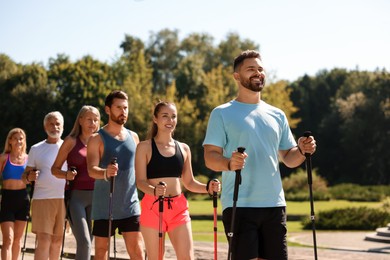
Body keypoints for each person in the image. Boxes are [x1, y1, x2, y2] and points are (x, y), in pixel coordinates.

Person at [203, 50, 317, 260]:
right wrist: (229, 163)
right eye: (251, 69)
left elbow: (289, 159)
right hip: (240, 205)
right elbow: (210, 156)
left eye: (260, 69)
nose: (258, 73)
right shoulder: (222, 113)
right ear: (237, 76)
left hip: (274, 204)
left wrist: (302, 150)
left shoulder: (277, 114)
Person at [135, 101, 221, 260]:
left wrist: (208, 188)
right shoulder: (144, 147)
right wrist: (154, 191)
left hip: (178, 209)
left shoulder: (184, 148)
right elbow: (140, 181)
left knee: (187, 257)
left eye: (173, 116)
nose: (170, 120)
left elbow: (189, 182)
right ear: (155, 119)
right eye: (165, 116)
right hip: (153, 207)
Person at [87, 90, 144, 260]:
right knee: (101, 251)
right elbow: (91, 169)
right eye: (118, 107)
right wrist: (106, 172)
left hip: (130, 204)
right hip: (105, 206)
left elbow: (140, 169)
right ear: (107, 110)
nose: (123, 111)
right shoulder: (96, 139)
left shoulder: (134, 137)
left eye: (125, 108)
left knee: (137, 250)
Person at [51, 105, 100, 260]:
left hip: (96, 197)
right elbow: (54, 169)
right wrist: (66, 174)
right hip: (75, 197)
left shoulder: (100, 142)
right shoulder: (71, 141)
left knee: (89, 241)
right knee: (85, 241)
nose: (93, 123)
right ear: (80, 120)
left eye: (96, 120)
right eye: (89, 119)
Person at [21, 111, 67, 260]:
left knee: (57, 241)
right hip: (42, 199)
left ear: (63, 126)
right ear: (45, 127)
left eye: (58, 123)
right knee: (44, 240)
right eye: (51, 124)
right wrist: (29, 176)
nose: (55, 127)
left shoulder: (68, 147)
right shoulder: (36, 148)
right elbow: (24, 177)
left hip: (64, 199)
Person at [0, 128, 29, 260]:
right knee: (8, 239)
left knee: (17, 239)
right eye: (15, 138)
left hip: (23, 199)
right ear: (10, 141)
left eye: (21, 138)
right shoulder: (3, 158)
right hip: (7, 199)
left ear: (24, 141)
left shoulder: (28, 159)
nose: (18, 141)